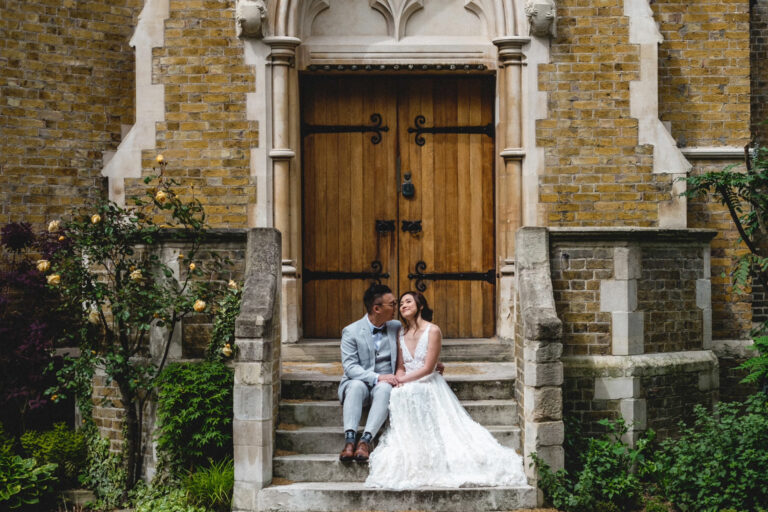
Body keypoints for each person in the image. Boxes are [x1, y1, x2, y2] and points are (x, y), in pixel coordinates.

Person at [365, 291, 528, 489]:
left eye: (408, 301)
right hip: (408, 381)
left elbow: (428, 368)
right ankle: (414, 448)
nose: (403, 306)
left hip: (428, 383)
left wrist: (405, 380)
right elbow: (400, 365)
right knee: (400, 393)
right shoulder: (401, 333)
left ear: (420, 305)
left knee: (414, 392)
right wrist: (399, 379)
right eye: (400, 304)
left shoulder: (433, 331)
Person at [337, 284, 401, 462]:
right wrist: (377, 377)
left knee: (385, 388)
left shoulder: (396, 327)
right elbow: (350, 367)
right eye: (392, 304)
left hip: (384, 386)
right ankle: (349, 441)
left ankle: (365, 441)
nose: (396, 308)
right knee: (356, 385)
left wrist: (433, 362)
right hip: (358, 383)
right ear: (377, 308)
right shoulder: (351, 331)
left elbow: (413, 345)